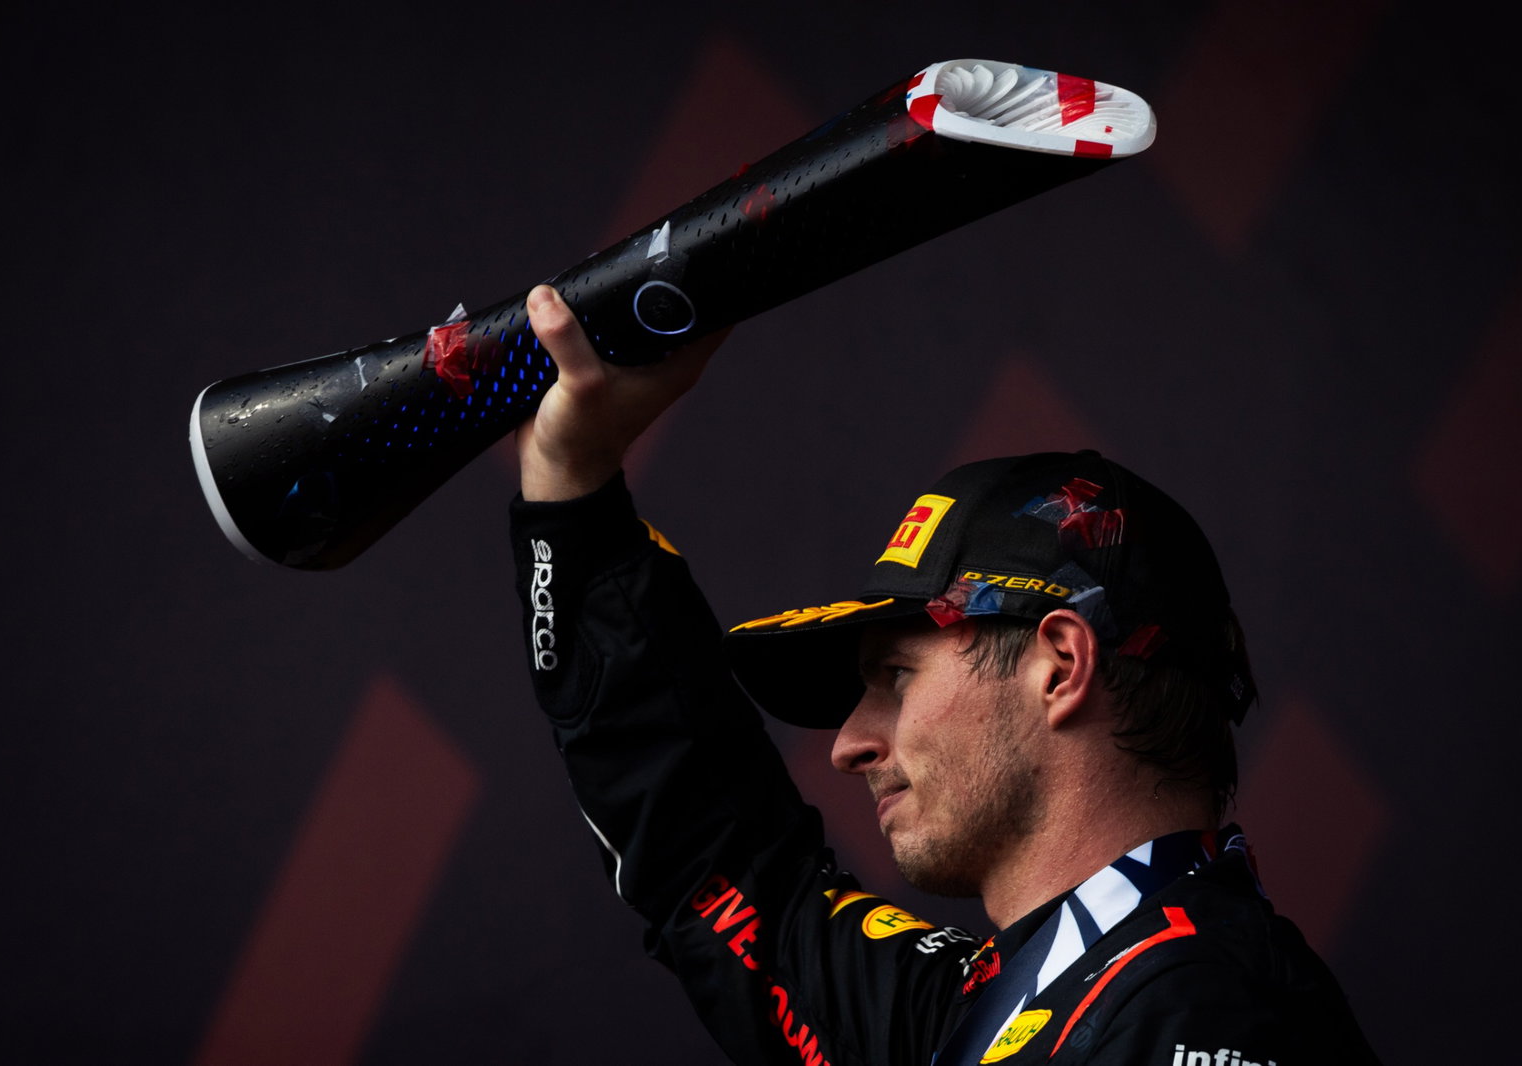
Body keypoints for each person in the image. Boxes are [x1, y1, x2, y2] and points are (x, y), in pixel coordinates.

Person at [510, 284, 1378, 1064]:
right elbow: (721, 865)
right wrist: (571, 486)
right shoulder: (1004, 1001)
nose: (849, 743)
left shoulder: (1211, 1018)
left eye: (895, 675)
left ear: (1060, 666)